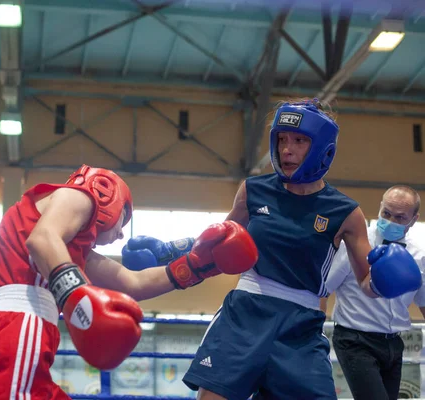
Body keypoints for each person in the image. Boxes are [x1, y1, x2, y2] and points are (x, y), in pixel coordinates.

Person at [122, 99, 422, 400]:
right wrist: (166, 251)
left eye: (299, 141)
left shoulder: (346, 212)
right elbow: (214, 241)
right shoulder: (253, 190)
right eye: (282, 139)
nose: (287, 149)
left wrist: (388, 281)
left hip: (301, 329)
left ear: (322, 147)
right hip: (245, 314)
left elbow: (366, 283)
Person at [0, 164, 259, 400]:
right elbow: (42, 239)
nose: (120, 235)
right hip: (16, 329)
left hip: (0, 333)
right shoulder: (77, 196)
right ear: (109, 197)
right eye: (123, 222)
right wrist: (76, 294)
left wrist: (195, 267)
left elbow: (132, 283)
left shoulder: (70, 249)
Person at [321, 185, 425, 400]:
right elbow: (323, 288)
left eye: (399, 217)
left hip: (393, 343)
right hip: (355, 339)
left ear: (414, 219)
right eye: (386, 213)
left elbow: (424, 302)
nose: (391, 221)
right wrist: (313, 333)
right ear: (379, 208)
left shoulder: (418, 255)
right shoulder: (357, 243)